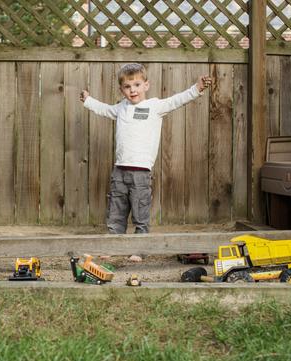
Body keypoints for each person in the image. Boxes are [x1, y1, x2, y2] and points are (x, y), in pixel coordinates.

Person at [80, 63, 212, 234]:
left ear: (146, 85)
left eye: (137, 85)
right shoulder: (121, 108)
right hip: (119, 171)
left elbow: (176, 100)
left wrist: (197, 88)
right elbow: (105, 109)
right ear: (122, 90)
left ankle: (139, 249)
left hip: (141, 173)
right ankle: (114, 247)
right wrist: (88, 100)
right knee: (115, 213)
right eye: (127, 87)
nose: (132, 90)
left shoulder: (154, 106)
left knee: (140, 213)